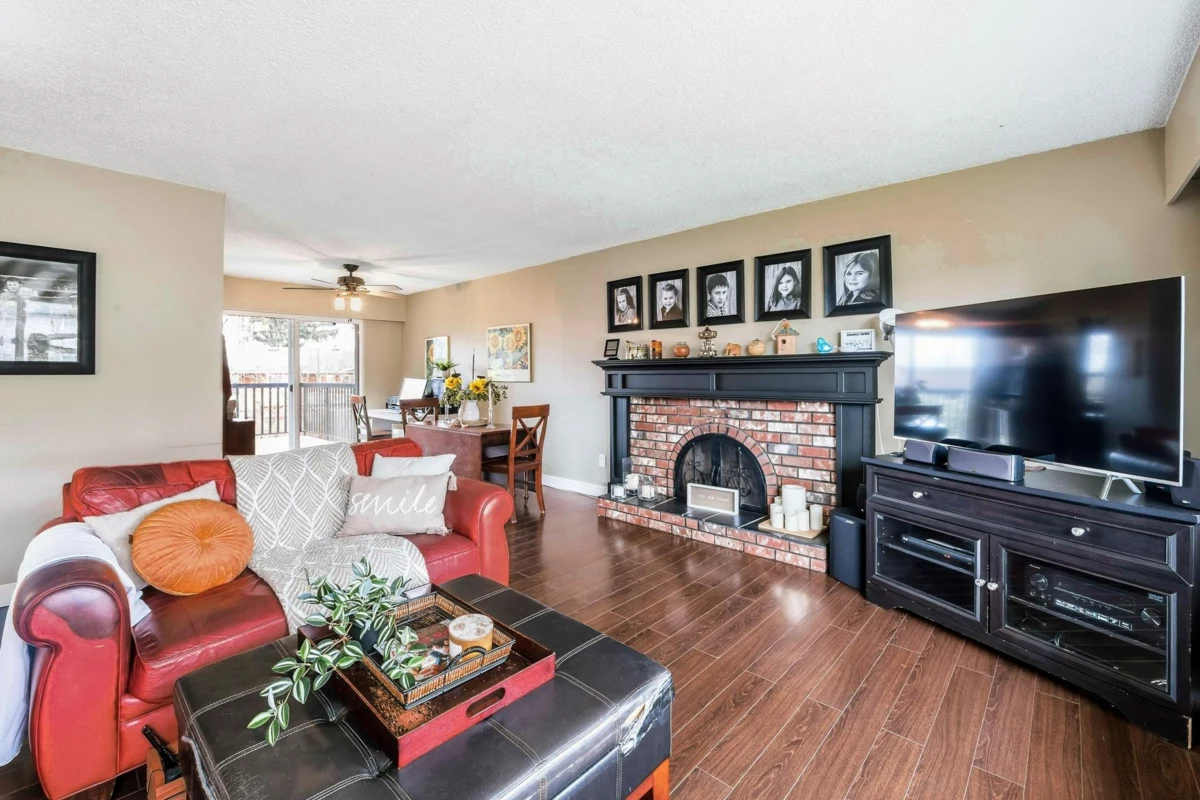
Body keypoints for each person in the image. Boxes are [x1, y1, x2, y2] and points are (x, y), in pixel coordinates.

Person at [0, 276, 26, 361]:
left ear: (19, 285)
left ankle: (18, 358)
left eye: (15, 284)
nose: (12, 286)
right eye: (10, 285)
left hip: (20, 320)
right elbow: (1, 307)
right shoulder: (3, 295)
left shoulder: (22, 295)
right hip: (7, 320)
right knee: (7, 339)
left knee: (18, 339)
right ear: (6, 285)